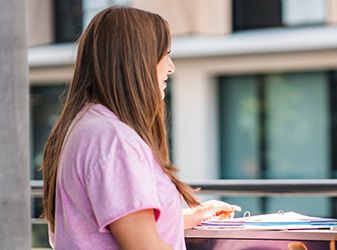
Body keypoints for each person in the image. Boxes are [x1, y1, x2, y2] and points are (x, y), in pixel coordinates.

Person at [40, 6, 240, 249]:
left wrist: (188, 218)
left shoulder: (86, 126)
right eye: (165, 54)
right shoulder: (113, 140)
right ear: (137, 60)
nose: (171, 66)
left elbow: (104, 226)